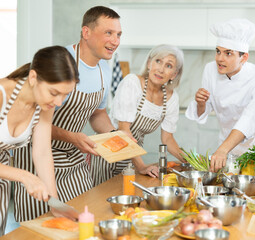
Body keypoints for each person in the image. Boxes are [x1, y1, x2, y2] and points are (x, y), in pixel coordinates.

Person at [13, 6, 122, 221]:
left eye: (119, 34)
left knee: (82, 214)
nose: (115, 40)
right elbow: (34, 123)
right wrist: (72, 136)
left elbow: (97, 113)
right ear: (86, 32)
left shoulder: (105, 70)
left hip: (73, 156)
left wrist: (115, 135)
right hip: (36, 155)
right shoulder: (61, 61)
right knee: (41, 225)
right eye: (108, 32)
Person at [0, 46, 79, 235]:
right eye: (54, 93)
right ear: (33, 77)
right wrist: (25, 176)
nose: (59, 102)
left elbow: (42, 153)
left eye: (65, 94)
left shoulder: (45, 104)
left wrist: (55, 202)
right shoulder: (2, 94)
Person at [186, 18, 255, 172]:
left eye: (228, 53)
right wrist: (201, 103)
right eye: (218, 51)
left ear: (244, 57)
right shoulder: (210, 70)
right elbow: (204, 111)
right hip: (230, 146)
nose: (220, 59)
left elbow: (250, 117)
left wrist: (222, 149)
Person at [91, 44, 185, 183]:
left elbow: (168, 139)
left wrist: (190, 162)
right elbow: (123, 130)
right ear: (149, 63)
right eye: (158, 61)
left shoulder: (171, 98)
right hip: (108, 153)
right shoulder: (132, 83)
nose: (160, 69)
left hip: (132, 156)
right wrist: (141, 166)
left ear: (174, 74)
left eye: (168, 66)